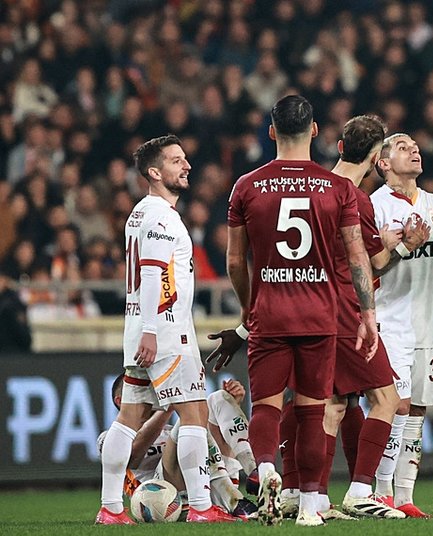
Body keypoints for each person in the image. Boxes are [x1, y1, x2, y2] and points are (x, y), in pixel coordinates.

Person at [223, 95, 379, 526]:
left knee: (267, 407)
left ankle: (268, 469)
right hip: (320, 314)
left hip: (269, 313)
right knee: (314, 409)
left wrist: (248, 307)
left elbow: (236, 261)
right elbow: (358, 256)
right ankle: (311, 505)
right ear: (314, 131)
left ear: (271, 132)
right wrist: (367, 315)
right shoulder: (338, 188)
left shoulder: (247, 186)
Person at [274, 115, 430, 520]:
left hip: (303, 303)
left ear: (340, 147)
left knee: (328, 403)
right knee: (386, 398)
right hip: (343, 310)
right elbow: (371, 263)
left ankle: (306, 494)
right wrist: (403, 246)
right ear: (377, 156)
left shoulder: (316, 187)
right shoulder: (353, 198)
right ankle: (362, 491)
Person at [96, 134, 236, 524]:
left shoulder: (139, 213)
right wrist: (154, 332)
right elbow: (153, 272)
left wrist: (144, 330)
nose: (186, 165)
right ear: (155, 173)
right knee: (193, 417)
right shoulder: (162, 216)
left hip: (141, 328)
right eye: (177, 161)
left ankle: (110, 508)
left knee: (128, 418)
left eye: (185, 158)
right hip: (165, 331)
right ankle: (203, 509)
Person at [370, 132, 433, 518]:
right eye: (403, 147)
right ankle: (380, 493)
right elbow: (373, 265)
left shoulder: (431, 204)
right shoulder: (373, 205)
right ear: (382, 162)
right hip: (387, 321)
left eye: (416, 147)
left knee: (418, 410)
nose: (414, 151)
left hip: (424, 323)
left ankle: (406, 497)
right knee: (394, 405)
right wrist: (403, 247)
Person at [97, 375, 256, 519]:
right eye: (139, 391)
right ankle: (233, 500)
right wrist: (172, 402)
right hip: (162, 501)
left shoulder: (171, 431)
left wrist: (232, 403)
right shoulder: (110, 438)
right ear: (120, 401)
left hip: (207, 488)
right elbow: (133, 457)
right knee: (190, 421)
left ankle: (256, 475)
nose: (151, 393)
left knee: (218, 398)